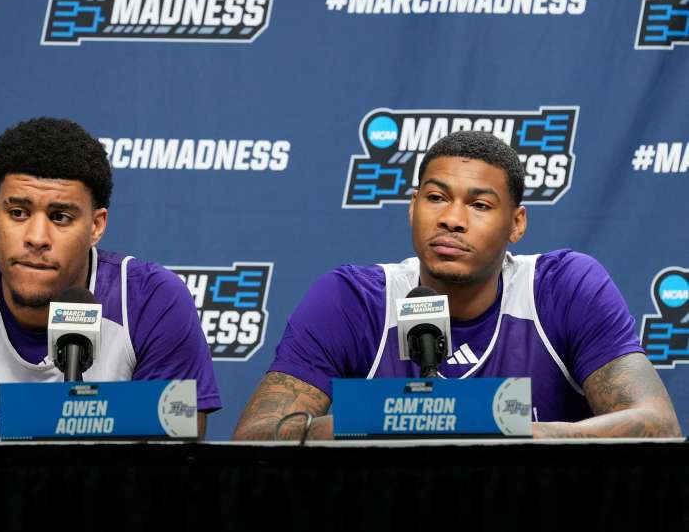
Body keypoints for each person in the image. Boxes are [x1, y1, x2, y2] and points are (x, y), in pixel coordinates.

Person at [234, 131, 680, 440]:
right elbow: (256, 435)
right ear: (412, 208)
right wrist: (390, 418)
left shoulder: (563, 286)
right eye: (436, 197)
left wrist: (505, 430)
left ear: (517, 223)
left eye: (480, 204)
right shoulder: (352, 298)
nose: (452, 219)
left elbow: (657, 425)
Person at [0, 117, 220, 442]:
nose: (36, 237)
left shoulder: (154, 301)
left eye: (60, 216)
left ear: (96, 226)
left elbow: (170, 480)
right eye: (18, 213)